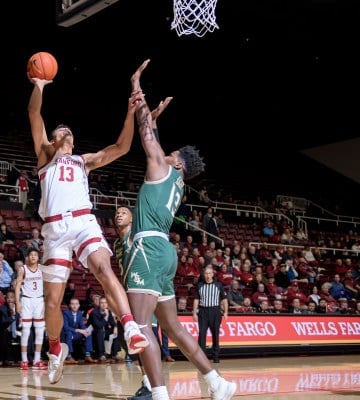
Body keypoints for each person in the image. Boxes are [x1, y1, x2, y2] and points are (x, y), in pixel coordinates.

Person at [119, 60, 236, 400]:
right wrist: (154, 120)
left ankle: (158, 394)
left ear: (179, 161)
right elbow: (152, 137)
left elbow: (144, 134)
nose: (164, 153)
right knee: (171, 327)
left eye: (170, 153)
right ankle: (218, 383)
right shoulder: (178, 184)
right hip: (166, 252)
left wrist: (136, 86)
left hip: (149, 250)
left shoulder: (161, 166)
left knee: (139, 325)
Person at [27, 58, 148, 384]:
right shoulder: (45, 157)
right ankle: (55, 349)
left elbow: (122, 147)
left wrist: (129, 113)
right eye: (60, 129)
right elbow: (34, 114)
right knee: (51, 301)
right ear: (53, 140)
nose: (65, 130)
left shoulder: (84, 161)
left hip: (83, 222)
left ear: (72, 141)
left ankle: (130, 326)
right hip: (54, 230)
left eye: (68, 130)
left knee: (104, 268)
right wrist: (39, 86)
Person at [14, 247, 46, 370]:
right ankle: (24, 360)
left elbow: (48, 286)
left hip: (39, 300)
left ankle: (37, 360)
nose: (33, 256)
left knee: (39, 330)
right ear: (27, 257)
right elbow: (17, 287)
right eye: (31, 255)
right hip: (26, 300)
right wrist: (18, 302)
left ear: (38, 258)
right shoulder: (23, 269)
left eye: (35, 255)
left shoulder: (42, 269)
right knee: (26, 330)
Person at [193, 266, 229, 363]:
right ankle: (202, 357)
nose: (208, 275)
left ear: (212, 274)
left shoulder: (218, 285)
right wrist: (194, 312)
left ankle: (216, 356)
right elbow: (196, 299)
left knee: (215, 334)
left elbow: (224, 299)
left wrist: (226, 312)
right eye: (206, 273)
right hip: (203, 311)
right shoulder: (200, 285)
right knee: (202, 334)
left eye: (210, 273)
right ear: (204, 275)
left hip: (215, 311)